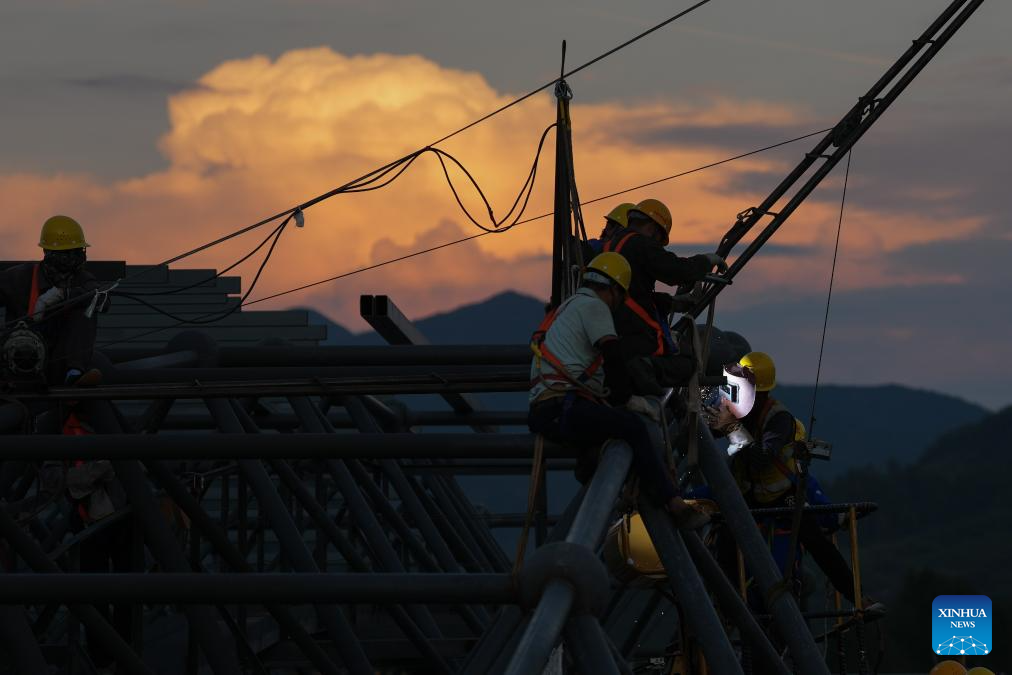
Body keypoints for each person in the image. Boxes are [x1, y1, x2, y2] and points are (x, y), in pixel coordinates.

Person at [527, 252, 707, 527]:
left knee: (606, 437)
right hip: (563, 407)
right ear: (613, 289)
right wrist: (630, 399)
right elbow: (612, 356)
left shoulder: (567, 307)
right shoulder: (594, 307)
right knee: (633, 427)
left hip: (549, 409)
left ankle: (602, 495)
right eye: (620, 298)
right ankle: (674, 503)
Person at [720, 351, 883, 613]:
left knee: (816, 542)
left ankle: (859, 598)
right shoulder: (739, 409)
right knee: (724, 539)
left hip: (782, 494)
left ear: (758, 392)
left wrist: (730, 428)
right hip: (749, 493)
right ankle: (730, 605)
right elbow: (711, 426)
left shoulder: (779, 419)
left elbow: (762, 458)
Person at [601, 198, 726, 391]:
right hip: (632, 337)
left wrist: (674, 303)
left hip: (615, 329)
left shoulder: (612, 245)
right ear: (653, 228)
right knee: (686, 362)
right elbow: (674, 270)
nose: (659, 247)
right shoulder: (640, 244)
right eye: (660, 242)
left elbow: (635, 293)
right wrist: (706, 261)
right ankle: (645, 374)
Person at [0, 215, 101, 385]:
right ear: (48, 253)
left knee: (86, 306)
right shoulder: (19, 278)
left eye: (77, 251)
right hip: (17, 361)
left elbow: (102, 299)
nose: (73, 258)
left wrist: (65, 294)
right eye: (67, 253)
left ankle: (74, 376)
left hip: (59, 362)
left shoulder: (82, 279)